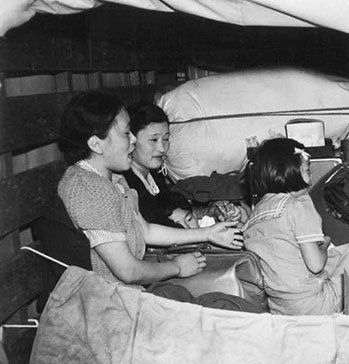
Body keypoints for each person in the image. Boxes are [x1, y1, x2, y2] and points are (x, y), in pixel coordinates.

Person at [57, 91, 244, 289]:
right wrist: (176, 267)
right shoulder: (90, 190)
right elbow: (129, 271)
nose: (134, 140)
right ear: (96, 144)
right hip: (113, 302)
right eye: (126, 133)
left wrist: (208, 233)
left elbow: (145, 231)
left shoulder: (114, 180)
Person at [243, 138, 349, 315]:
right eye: (308, 170)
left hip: (282, 308)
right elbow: (316, 265)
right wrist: (322, 244)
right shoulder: (299, 205)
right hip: (316, 306)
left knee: (344, 250)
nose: (312, 176)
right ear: (292, 170)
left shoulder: (255, 215)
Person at [122, 101, 194, 228]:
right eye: (153, 140)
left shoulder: (154, 174)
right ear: (132, 140)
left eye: (165, 139)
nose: (162, 148)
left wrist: (212, 211)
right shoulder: (126, 182)